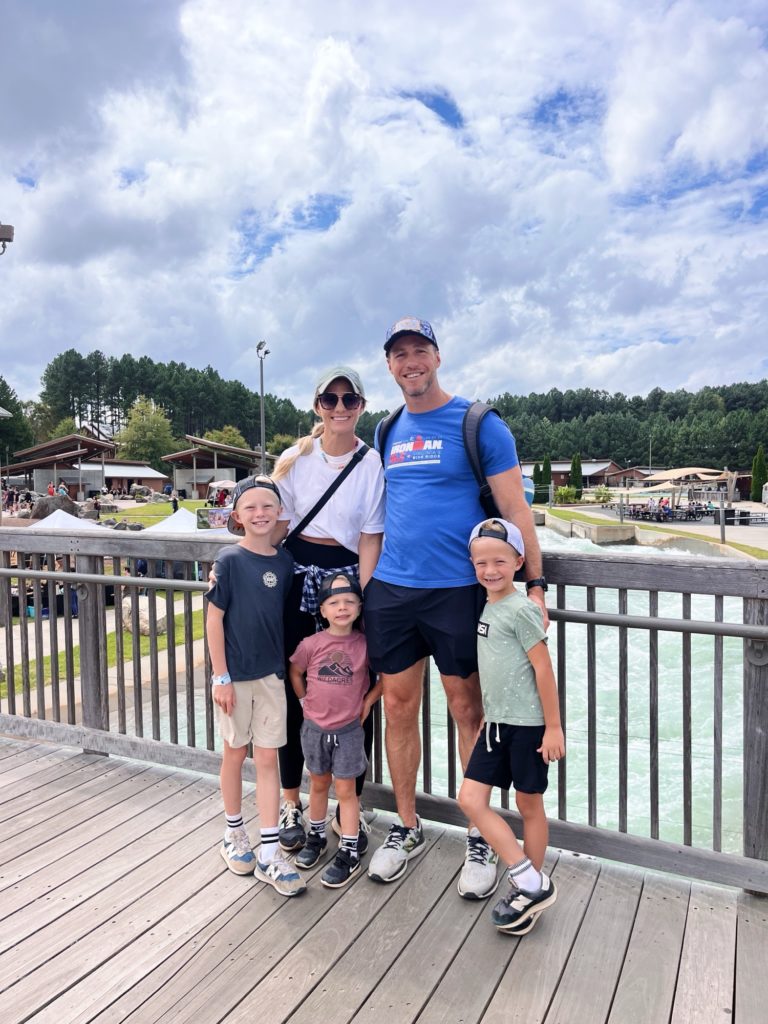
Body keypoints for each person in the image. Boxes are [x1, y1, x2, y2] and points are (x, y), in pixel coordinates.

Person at [364, 316, 548, 898]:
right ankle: (407, 825)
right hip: (393, 589)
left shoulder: (478, 423)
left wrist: (537, 583)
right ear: (389, 366)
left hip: (458, 591)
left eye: (420, 350)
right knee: (397, 706)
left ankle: (479, 835)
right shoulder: (385, 428)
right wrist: (368, 586)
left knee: (468, 709)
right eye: (399, 354)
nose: (410, 361)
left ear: (437, 357)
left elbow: (517, 511)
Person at [271, 366, 385, 854]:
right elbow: (274, 528)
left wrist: (363, 598)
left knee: (354, 681)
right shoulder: (296, 458)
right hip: (299, 574)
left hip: (346, 581)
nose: (340, 408)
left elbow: (370, 536)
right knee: (292, 686)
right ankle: (293, 800)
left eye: (349, 399)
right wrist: (230, 566)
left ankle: (349, 801)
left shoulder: (371, 462)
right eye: (331, 399)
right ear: (318, 404)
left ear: (361, 405)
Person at [458, 518, 564, 934]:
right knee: (470, 799)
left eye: (500, 561)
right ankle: (529, 880)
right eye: (481, 562)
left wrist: (553, 727)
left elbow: (543, 670)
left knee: (529, 805)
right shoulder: (489, 604)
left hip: (529, 727)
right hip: (496, 723)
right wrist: (491, 708)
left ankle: (527, 890)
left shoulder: (521, 609)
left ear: (519, 562)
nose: (490, 570)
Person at [206, 475, 306, 898]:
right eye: (250, 508)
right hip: (235, 677)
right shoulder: (228, 560)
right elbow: (213, 620)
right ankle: (233, 832)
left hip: (271, 677)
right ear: (236, 516)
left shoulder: (284, 563)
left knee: (268, 758)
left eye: (268, 506)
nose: (260, 514)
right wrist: (220, 676)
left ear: (279, 513)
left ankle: (268, 849)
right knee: (234, 753)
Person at [289, 572, 382, 887]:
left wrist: (368, 701)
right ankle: (316, 836)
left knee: (346, 791)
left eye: (349, 602)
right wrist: (304, 701)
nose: (342, 608)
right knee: (317, 784)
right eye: (334, 603)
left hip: (349, 731)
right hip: (314, 727)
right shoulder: (311, 644)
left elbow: (385, 678)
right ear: (323, 610)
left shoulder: (366, 645)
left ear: (359, 608)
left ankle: (350, 848)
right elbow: (296, 671)